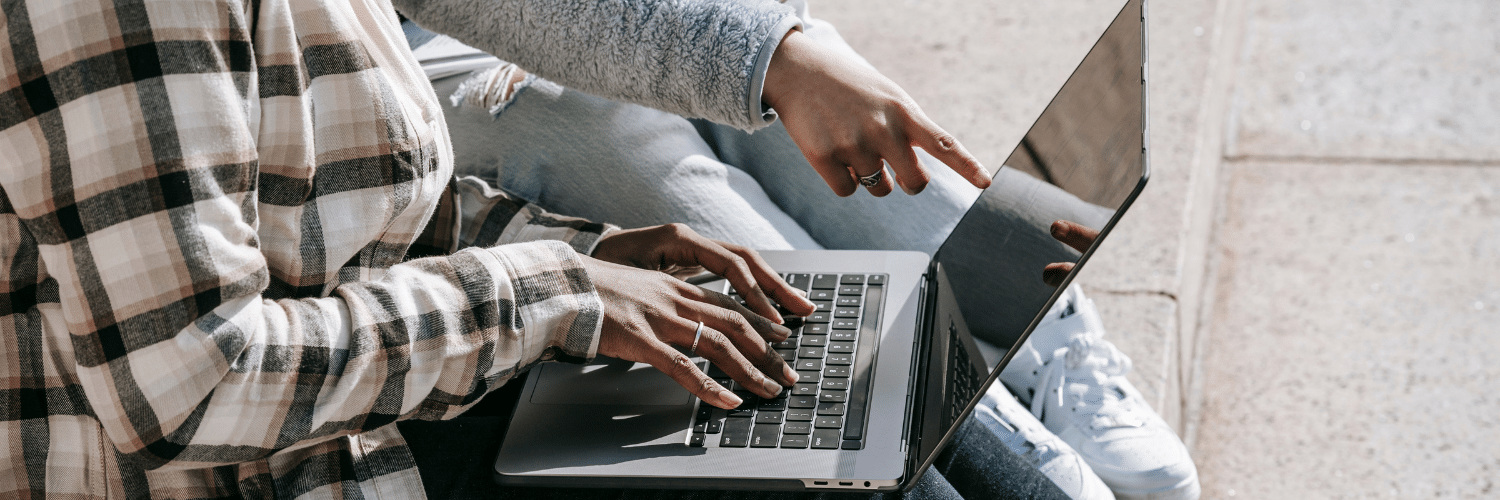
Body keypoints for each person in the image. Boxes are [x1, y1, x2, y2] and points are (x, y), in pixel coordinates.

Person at [0, 0, 1073, 499]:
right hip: (313, 465)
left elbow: (340, 218)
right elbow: (188, 380)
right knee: (842, 452)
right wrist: (555, 289)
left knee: (887, 362)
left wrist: (591, 255)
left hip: (403, 395)